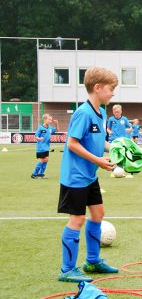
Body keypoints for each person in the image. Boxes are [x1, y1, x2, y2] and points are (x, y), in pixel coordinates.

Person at [57, 67, 119, 282]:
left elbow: (97, 142)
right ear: (98, 88)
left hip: (90, 175)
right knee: (77, 218)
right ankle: (67, 270)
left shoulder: (100, 112)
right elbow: (72, 144)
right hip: (75, 176)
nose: (113, 94)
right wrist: (98, 161)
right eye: (111, 89)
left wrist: (119, 149)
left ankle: (92, 262)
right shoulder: (83, 113)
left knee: (98, 214)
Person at [31, 114, 59, 179]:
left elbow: (57, 130)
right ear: (45, 119)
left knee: (46, 160)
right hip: (41, 147)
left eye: (51, 120)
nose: (50, 121)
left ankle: (40, 174)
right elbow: (36, 136)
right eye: (49, 120)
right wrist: (39, 138)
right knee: (44, 159)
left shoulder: (50, 128)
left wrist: (56, 124)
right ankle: (34, 173)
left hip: (46, 147)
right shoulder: (40, 127)